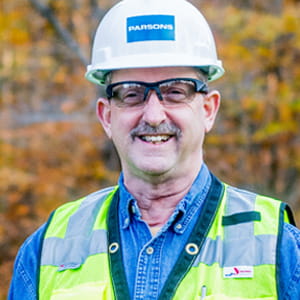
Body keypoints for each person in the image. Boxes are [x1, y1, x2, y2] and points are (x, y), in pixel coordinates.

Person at [9, 0, 300, 299]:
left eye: (175, 92)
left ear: (209, 110)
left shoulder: (280, 247)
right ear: (107, 116)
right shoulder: (45, 251)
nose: (153, 115)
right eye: (132, 94)